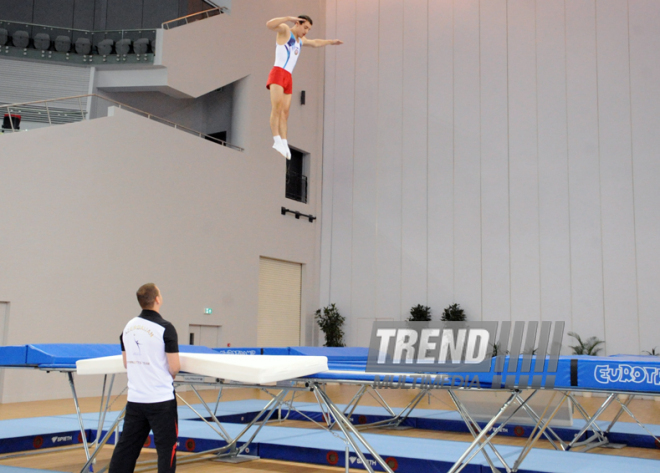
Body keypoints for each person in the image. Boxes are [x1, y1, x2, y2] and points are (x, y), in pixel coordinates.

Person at [109, 283, 180, 473]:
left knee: (127, 448)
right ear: (157, 299)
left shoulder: (128, 327)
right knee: (166, 450)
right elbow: (174, 367)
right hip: (160, 400)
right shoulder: (165, 328)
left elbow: (126, 362)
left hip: (136, 399)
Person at [266, 15, 343, 158]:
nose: (306, 31)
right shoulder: (285, 31)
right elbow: (269, 24)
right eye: (305, 27)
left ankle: (283, 141)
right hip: (278, 72)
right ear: (297, 23)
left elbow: (315, 43)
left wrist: (331, 42)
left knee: (285, 112)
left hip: (288, 76)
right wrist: (287, 17)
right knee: (276, 107)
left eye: (309, 29)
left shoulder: (300, 41)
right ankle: (276, 139)